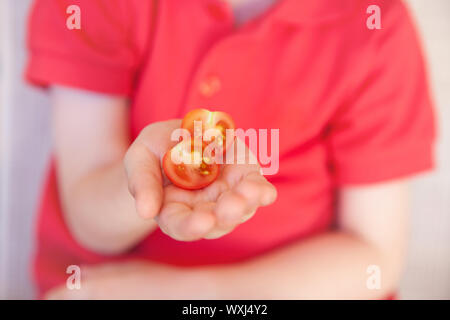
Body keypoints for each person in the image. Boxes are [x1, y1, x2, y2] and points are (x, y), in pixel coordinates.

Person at [26, 0, 435, 299]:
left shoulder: (375, 25)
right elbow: (89, 219)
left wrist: (189, 296)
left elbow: (374, 258)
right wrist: (149, 184)